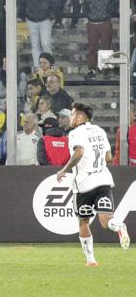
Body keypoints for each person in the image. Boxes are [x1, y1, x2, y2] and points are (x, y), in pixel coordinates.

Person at [54, 103, 130, 264]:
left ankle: (91, 260)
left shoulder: (75, 133)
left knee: (83, 221)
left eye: (72, 114)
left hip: (84, 185)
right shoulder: (100, 131)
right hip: (103, 181)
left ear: (80, 117)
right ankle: (118, 226)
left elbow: (79, 152)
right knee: (106, 220)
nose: (70, 118)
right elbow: (108, 157)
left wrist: (64, 170)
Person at [81, 0, 117, 79]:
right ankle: (92, 70)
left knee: (106, 47)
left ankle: (105, 70)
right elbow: (84, 4)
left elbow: (114, 2)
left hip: (105, 22)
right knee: (92, 48)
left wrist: (108, 12)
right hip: (92, 23)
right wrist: (88, 14)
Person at [18, 0, 57, 64]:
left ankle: (49, 67)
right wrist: (22, 16)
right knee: (35, 46)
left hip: (45, 20)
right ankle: (37, 68)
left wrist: (53, 15)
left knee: (46, 44)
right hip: (31, 20)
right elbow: (22, 3)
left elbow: (55, 1)